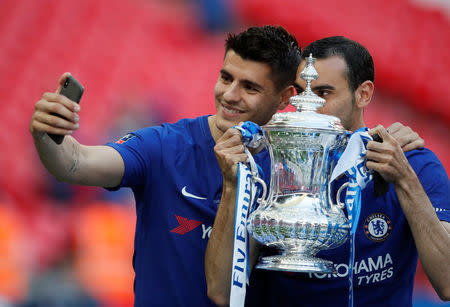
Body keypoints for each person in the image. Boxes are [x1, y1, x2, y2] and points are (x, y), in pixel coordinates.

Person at [30, 26, 424, 306]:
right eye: (225, 77)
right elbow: (76, 164)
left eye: (250, 87)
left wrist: (395, 137)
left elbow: (354, 142)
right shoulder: (164, 146)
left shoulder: (297, 164)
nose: (229, 96)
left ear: (286, 96)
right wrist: (50, 135)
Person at [205, 36, 450, 306]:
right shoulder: (269, 161)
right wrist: (232, 186)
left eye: (323, 93)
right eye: (301, 92)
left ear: (363, 94)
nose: (308, 103)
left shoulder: (414, 164)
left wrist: (405, 181)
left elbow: (447, 284)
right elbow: (222, 292)